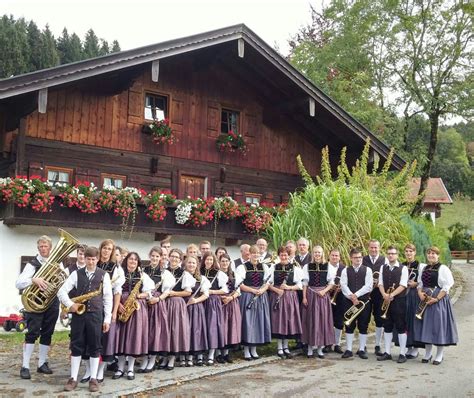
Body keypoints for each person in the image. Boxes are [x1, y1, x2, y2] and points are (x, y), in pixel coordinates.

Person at [58, 246, 112, 393]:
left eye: (94, 259)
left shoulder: (104, 275)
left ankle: (93, 379)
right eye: (88, 259)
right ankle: (73, 378)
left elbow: (108, 298)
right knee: (76, 345)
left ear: (98, 259)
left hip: (96, 316)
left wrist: (107, 319)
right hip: (79, 316)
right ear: (85, 259)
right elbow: (61, 291)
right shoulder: (76, 274)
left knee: (95, 346)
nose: (91, 262)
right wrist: (71, 304)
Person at [16, 235, 63, 380]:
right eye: (41, 246)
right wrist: (33, 280)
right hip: (35, 303)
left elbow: (62, 282)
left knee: (47, 333)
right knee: (32, 333)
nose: (43, 249)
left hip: (52, 303)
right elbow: (18, 283)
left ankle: (42, 363)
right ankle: (25, 366)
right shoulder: (32, 264)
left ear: (50, 248)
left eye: (46, 246)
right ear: (38, 248)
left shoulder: (57, 263)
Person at [414, 246, 458, 365]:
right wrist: (420, 293)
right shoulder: (424, 267)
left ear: (438, 255)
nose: (431, 255)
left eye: (434, 253)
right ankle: (428, 354)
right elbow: (420, 283)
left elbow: (447, 285)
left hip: (438, 300)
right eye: (429, 253)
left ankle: (439, 355)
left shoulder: (443, 268)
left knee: (438, 327)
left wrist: (436, 298)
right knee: (426, 326)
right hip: (425, 300)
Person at [113, 252, 154, 380]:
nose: (133, 261)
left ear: (138, 262)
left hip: (136, 309)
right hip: (121, 305)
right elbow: (114, 290)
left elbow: (149, 292)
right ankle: (120, 368)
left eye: (135, 260)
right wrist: (118, 304)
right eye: (131, 259)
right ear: (126, 260)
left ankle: (130, 368)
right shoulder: (120, 273)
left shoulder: (142, 275)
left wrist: (140, 295)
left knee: (132, 339)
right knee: (120, 339)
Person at [93, 239, 125, 382]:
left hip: (108, 304)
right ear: (101, 249)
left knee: (106, 339)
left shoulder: (115, 268)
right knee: (93, 338)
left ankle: (100, 370)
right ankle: (90, 370)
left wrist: (114, 312)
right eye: (104, 248)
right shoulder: (94, 263)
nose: (106, 251)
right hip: (93, 305)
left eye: (109, 249)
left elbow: (117, 292)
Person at [139, 247, 174, 373]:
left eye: (157, 256)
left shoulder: (165, 273)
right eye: (152, 256)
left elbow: (167, 292)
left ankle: (152, 359)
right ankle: (144, 359)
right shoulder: (143, 271)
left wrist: (158, 299)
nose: (154, 258)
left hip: (157, 304)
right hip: (145, 303)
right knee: (144, 331)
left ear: (160, 258)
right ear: (149, 256)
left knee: (155, 332)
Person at [236, 245, 272, 360]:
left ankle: (254, 349)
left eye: (257, 253)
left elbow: (267, 282)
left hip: (261, 297)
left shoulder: (264, 267)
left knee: (258, 322)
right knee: (248, 322)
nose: (256, 255)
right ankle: (246, 350)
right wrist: (252, 290)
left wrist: (262, 290)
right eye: (253, 253)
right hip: (247, 296)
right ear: (249, 254)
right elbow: (240, 284)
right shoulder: (243, 267)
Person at [163, 249, 194, 370]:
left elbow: (188, 292)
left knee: (174, 330)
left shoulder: (184, 274)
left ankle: (171, 359)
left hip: (176, 304)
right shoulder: (163, 271)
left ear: (180, 260)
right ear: (169, 258)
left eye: (177, 257)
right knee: (165, 330)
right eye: (172, 256)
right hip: (164, 303)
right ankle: (164, 357)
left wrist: (173, 293)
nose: (174, 259)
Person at [269, 247, 303, 359]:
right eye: (282, 255)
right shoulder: (273, 268)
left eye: (286, 255)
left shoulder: (295, 268)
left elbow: (300, 285)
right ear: (279, 255)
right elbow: (268, 284)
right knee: (279, 321)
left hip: (290, 297)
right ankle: (279, 347)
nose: (284, 257)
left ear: (289, 256)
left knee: (288, 321)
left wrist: (289, 287)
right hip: (277, 296)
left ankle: (286, 347)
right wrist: (277, 290)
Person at [301, 245, 335, 358]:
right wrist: (304, 297)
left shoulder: (328, 266)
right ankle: (310, 348)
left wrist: (324, 291)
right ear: (312, 254)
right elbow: (305, 283)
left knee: (322, 321)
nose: (317, 254)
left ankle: (320, 348)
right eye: (315, 252)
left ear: (322, 254)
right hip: (310, 294)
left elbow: (331, 283)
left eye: (319, 252)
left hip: (322, 296)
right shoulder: (307, 266)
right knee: (310, 320)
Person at [377, 246, 409, 363]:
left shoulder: (403, 268)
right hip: (385, 299)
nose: (391, 255)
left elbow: (403, 285)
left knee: (401, 326)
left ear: (397, 255)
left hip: (398, 301)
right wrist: (384, 294)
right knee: (387, 326)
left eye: (393, 253)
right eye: (389, 253)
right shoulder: (383, 267)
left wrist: (392, 295)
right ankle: (387, 352)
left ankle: (402, 353)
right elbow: (380, 283)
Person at [340, 247, 373, 359]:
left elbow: (368, 286)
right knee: (349, 324)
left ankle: (362, 349)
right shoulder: (345, 270)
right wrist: (352, 297)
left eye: (360, 257)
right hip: (349, 301)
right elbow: (343, 285)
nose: (358, 259)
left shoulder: (368, 270)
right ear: (351, 258)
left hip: (364, 301)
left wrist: (356, 295)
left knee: (363, 325)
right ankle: (349, 349)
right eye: (355, 257)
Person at [202, 253, 228, 365]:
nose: (209, 262)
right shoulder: (199, 272)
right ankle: (200, 353)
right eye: (207, 259)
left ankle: (211, 354)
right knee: (201, 327)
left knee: (212, 328)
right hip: (201, 302)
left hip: (212, 302)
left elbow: (225, 290)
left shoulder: (218, 273)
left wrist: (212, 291)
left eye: (211, 260)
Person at [362, 239, 386, 356]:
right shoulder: (363, 259)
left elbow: (387, 276)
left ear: (379, 248)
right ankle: (363, 345)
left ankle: (377, 345)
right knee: (364, 319)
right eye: (371, 247)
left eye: (376, 247)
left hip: (379, 294)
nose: (374, 250)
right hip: (365, 295)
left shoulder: (384, 260)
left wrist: (379, 283)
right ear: (368, 248)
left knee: (379, 319)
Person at [185, 256, 210, 366]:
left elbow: (206, 295)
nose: (191, 265)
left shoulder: (202, 279)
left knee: (196, 331)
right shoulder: (182, 276)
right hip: (184, 307)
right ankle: (186, 356)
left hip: (196, 308)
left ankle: (197, 356)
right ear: (186, 264)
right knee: (186, 331)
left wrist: (195, 301)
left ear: (197, 265)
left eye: (193, 263)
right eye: (189, 262)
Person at [402, 243, 424, 359]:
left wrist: (416, 283)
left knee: (414, 320)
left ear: (414, 252)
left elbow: (424, 281)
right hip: (404, 295)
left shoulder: (420, 266)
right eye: (407, 251)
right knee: (405, 320)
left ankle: (415, 348)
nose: (408, 253)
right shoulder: (402, 265)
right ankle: (408, 347)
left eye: (411, 251)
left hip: (414, 295)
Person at [219, 254, 242, 363]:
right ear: (219, 262)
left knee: (230, 328)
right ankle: (218, 353)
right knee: (221, 327)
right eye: (222, 261)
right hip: (220, 303)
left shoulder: (234, 274)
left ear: (229, 262)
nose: (224, 263)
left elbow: (238, 291)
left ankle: (226, 354)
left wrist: (231, 297)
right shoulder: (216, 274)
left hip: (232, 303)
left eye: (226, 261)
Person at [325, 248, 345, 354]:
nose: (334, 257)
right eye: (333, 255)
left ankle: (337, 344)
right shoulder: (324, 267)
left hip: (340, 297)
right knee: (328, 320)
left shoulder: (343, 268)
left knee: (339, 320)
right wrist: (330, 288)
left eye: (337, 255)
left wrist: (341, 287)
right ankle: (328, 343)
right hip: (327, 296)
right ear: (329, 256)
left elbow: (346, 282)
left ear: (339, 257)